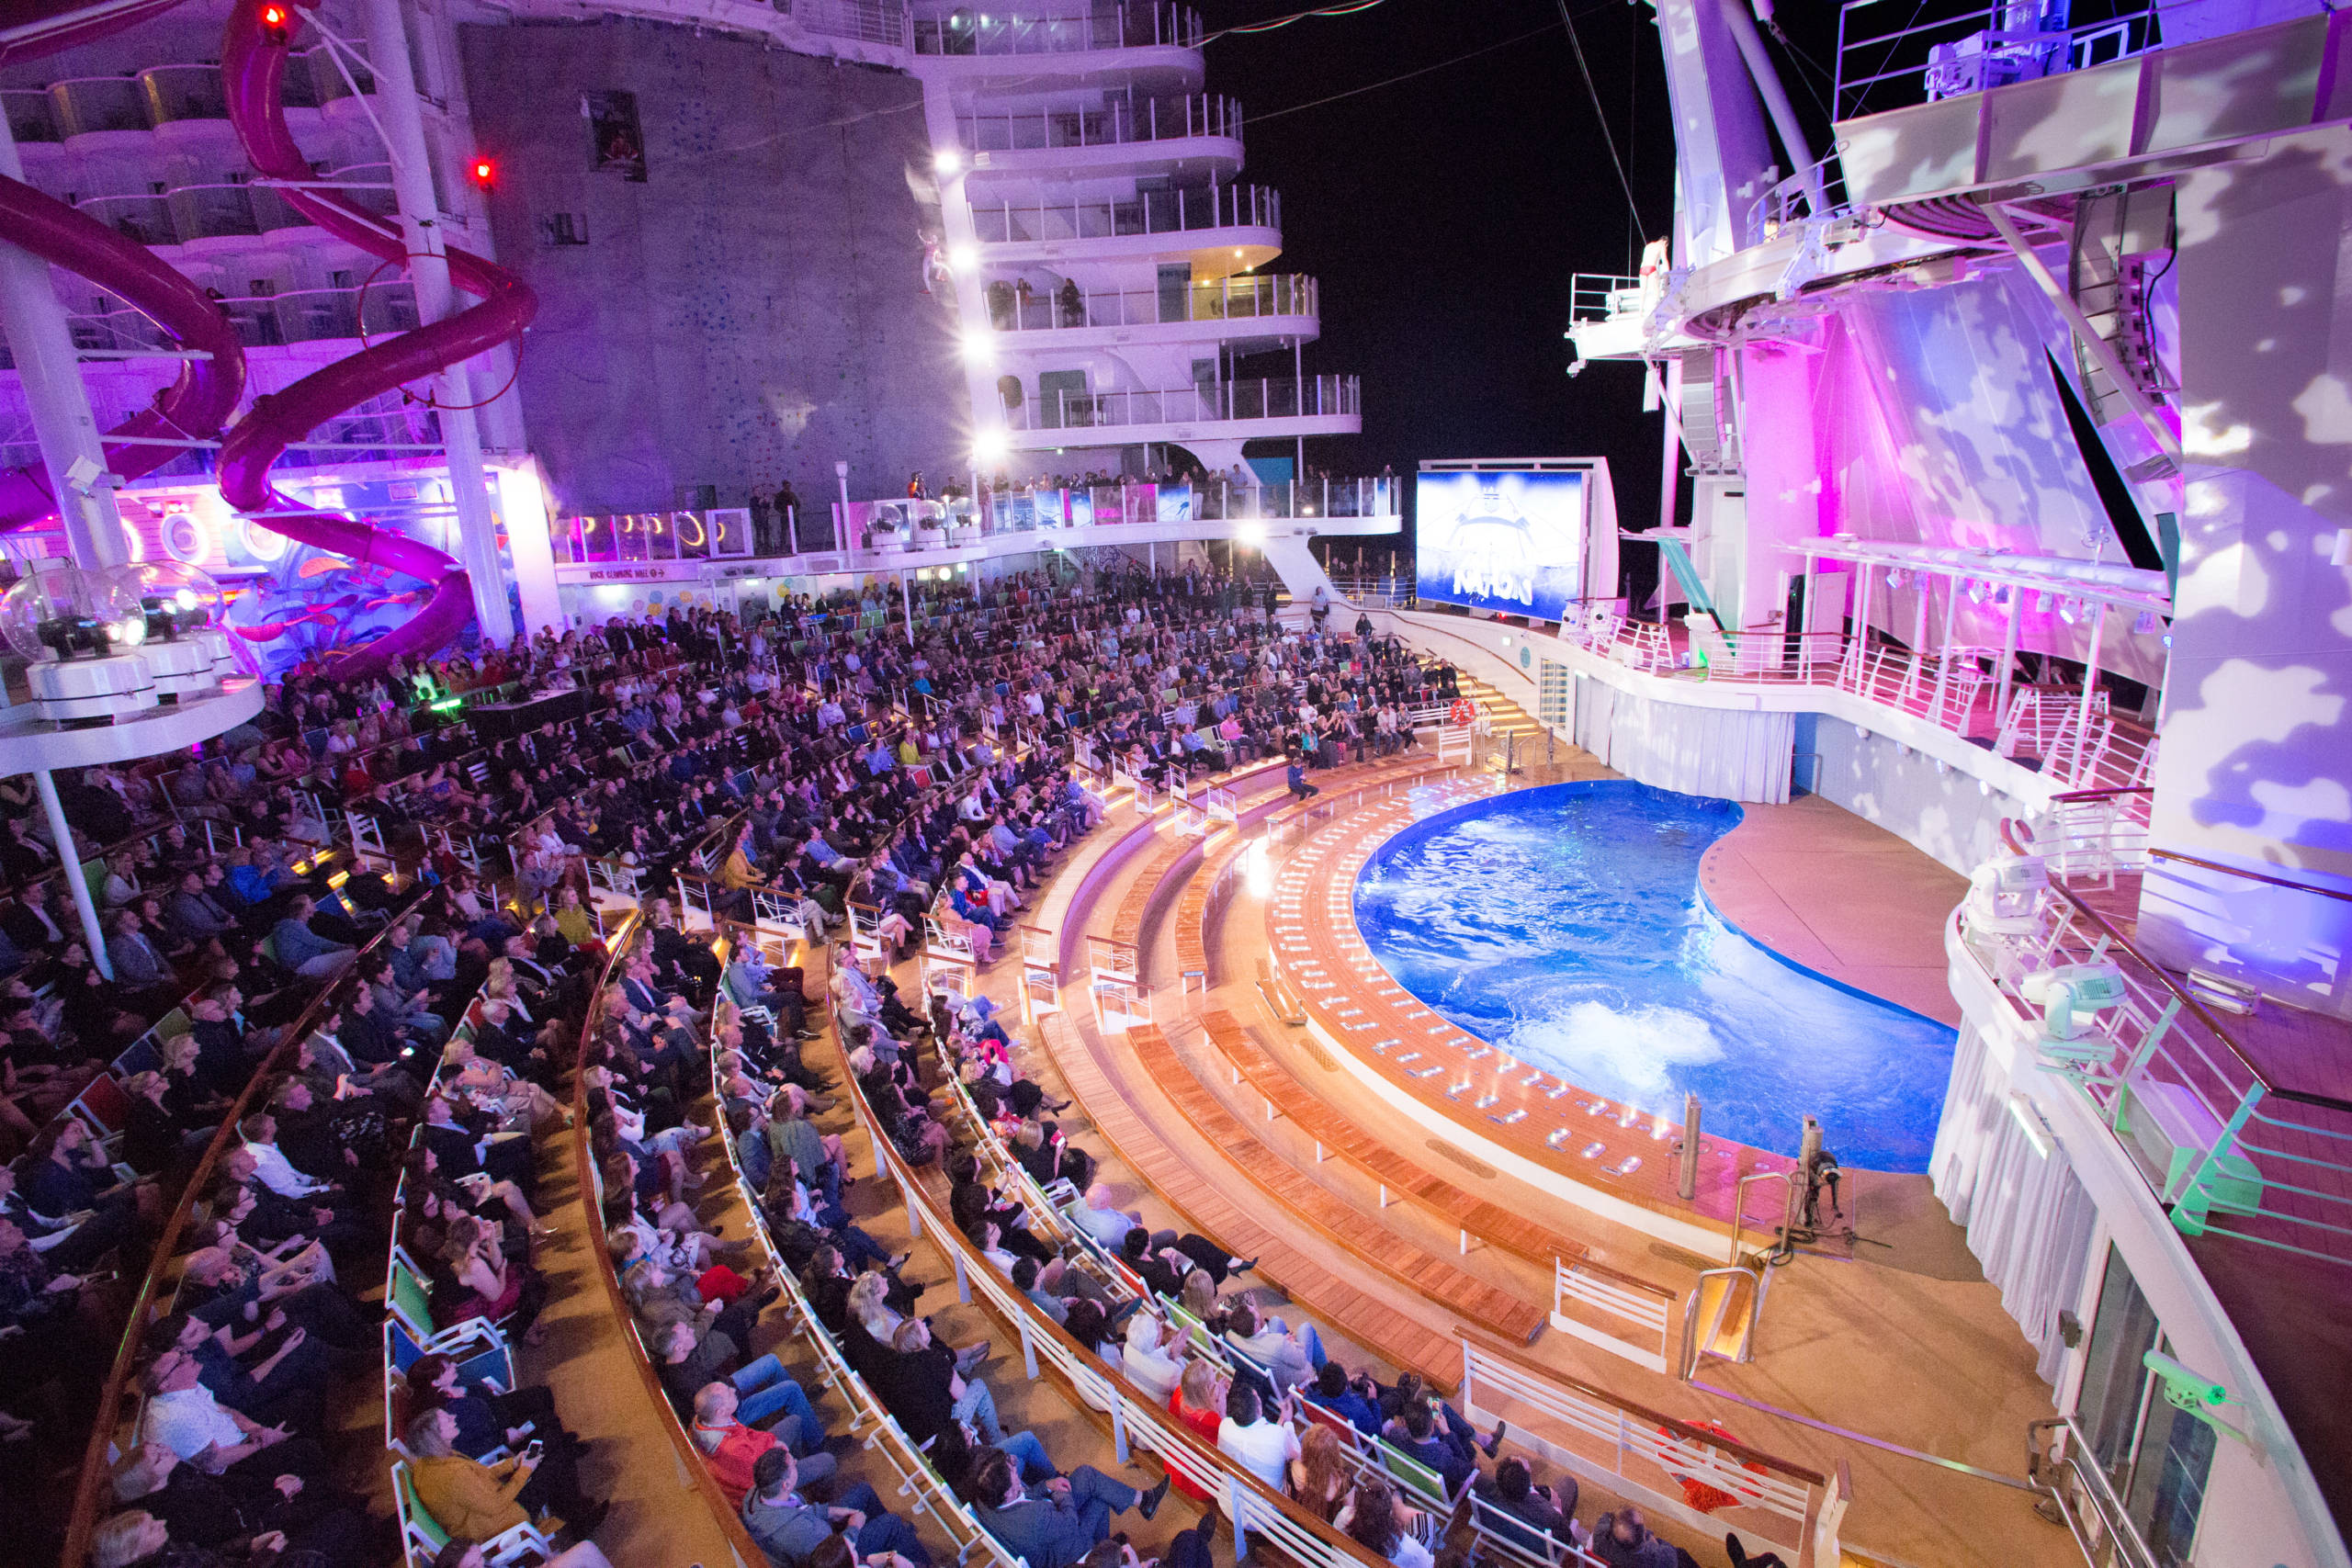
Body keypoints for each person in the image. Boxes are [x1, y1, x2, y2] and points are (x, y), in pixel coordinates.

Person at [967, 1447, 1168, 1568]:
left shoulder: (984, 1497)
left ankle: (1144, 1502)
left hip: (1048, 1532)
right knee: (1098, 1501)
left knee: (1087, 1476)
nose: (1015, 1462)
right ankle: (1104, 1554)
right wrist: (1060, 1491)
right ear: (1006, 1492)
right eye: (1012, 1469)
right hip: (1066, 1553)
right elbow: (1069, 1523)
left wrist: (1046, 1486)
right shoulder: (1037, 1518)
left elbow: (1021, 1496)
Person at [741, 1447, 931, 1568]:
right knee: (892, 1523)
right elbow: (833, 1557)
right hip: (832, 1553)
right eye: (792, 1465)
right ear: (786, 1485)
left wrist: (829, 1511)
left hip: (819, 1533)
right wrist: (854, 1529)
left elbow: (798, 1509)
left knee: (863, 1491)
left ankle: (889, 1538)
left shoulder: (758, 1493)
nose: (797, 1462)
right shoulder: (800, 1534)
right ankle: (922, 1561)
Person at [1216, 1381, 1299, 1493]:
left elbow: (1265, 1435)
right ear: (1259, 1409)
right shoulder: (1278, 1436)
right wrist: (1288, 1423)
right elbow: (1296, 1454)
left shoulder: (1224, 1426)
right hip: (1267, 1508)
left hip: (1227, 1501)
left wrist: (1282, 1419)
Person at [1337, 1476, 1431, 1568]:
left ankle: (1398, 1502)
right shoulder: (1403, 1546)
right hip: (1407, 1557)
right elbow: (1428, 1563)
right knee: (1426, 1521)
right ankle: (1398, 1504)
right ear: (1389, 1513)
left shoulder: (1344, 1517)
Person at [1589, 1507, 1698, 1568]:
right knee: (1681, 1553)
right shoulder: (1659, 1559)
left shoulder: (1600, 1535)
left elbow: (1606, 1515)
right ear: (1643, 1538)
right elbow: (1669, 1552)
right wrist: (1652, 1541)